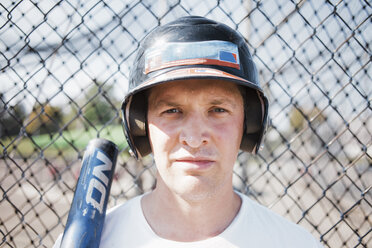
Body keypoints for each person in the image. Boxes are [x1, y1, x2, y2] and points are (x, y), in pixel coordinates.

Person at [54, 16, 323, 247]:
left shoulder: (294, 243)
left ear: (249, 124)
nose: (194, 139)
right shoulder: (94, 240)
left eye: (218, 110)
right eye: (172, 111)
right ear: (141, 126)